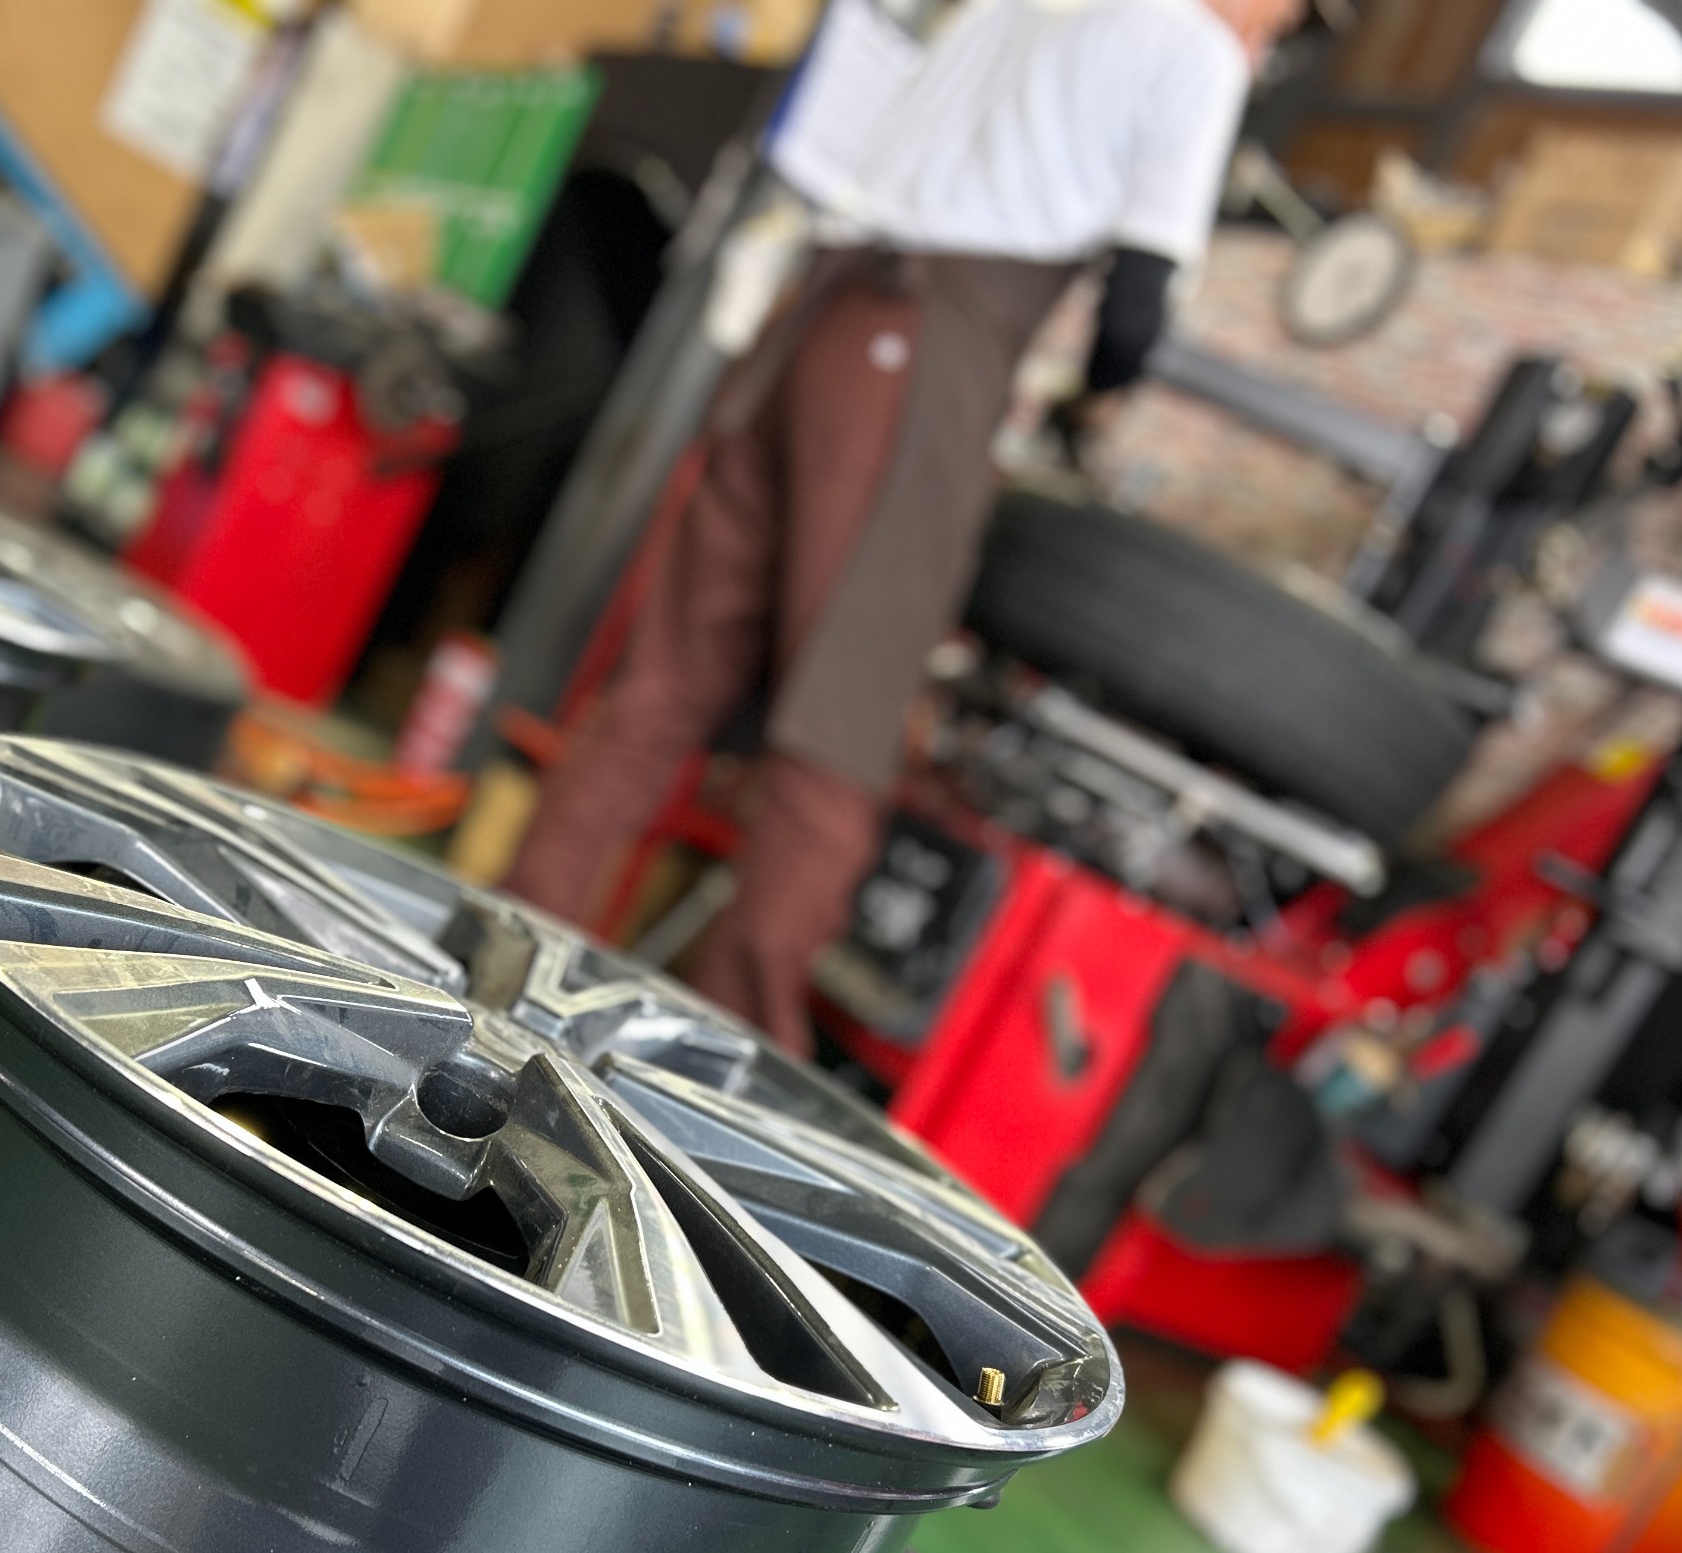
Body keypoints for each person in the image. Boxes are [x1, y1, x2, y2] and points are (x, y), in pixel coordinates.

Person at [502, 0, 1306, 1055]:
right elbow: (1134, 313)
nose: (1278, 33)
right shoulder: (1194, 51)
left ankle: (510, 951)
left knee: (664, 682)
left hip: (815, 321)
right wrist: (1090, 407)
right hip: (915, 359)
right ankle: (727, 1062)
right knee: (840, 723)